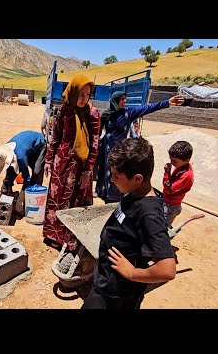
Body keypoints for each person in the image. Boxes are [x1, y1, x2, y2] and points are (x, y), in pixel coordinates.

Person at [82, 137, 176, 309]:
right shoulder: (134, 193)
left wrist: (132, 273)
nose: (112, 180)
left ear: (138, 179)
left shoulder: (149, 214)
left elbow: (167, 269)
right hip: (107, 281)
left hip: (116, 294)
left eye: (116, 176)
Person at [42, 75, 101, 250]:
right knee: (58, 199)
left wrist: (87, 170)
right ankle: (55, 235)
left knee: (77, 201)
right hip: (62, 163)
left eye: (88, 94)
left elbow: (95, 143)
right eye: (80, 94)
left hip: (81, 165)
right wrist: (48, 160)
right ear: (73, 92)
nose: (84, 98)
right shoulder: (64, 110)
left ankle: (73, 240)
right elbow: (55, 137)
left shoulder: (93, 113)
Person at [96, 92, 185, 203]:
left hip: (119, 151)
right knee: (106, 173)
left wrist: (166, 103)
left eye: (125, 99)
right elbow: (98, 131)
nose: (124, 101)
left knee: (118, 174)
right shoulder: (107, 115)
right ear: (115, 100)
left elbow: (147, 108)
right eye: (122, 99)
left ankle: (114, 200)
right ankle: (106, 196)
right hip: (106, 150)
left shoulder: (128, 113)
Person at [0, 130, 47, 209]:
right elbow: (10, 169)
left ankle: (32, 197)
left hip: (39, 144)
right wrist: (9, 189)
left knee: (37, 171)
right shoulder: (4, 151)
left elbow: (27, 178)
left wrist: (21, 197)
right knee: (11, 169)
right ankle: (4, 192)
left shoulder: (20, 157)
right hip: (27, 146)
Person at [163, 140, 194, 228]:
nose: (171, 163)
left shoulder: (186, 175)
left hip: (171, 206)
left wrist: (167, 173)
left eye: (175, 161)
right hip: (167, 201)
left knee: (162, 227)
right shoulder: (181, 167)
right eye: (170, 159)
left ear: (186, 160)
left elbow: (168, 189)